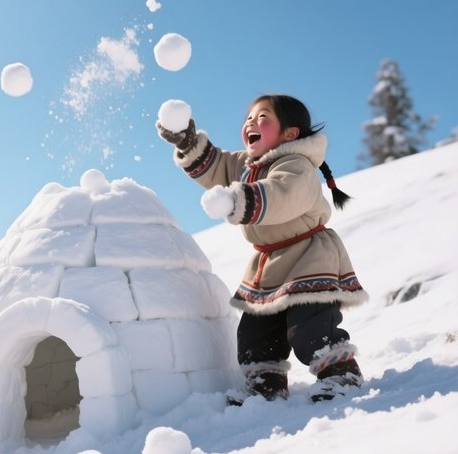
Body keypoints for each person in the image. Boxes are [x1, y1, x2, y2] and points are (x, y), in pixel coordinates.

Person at [157, 94, 368, 404]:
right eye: (248, 119)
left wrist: (238, 200)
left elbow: (283, 194)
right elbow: (216, 166)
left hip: (308, 256)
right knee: (255, 331)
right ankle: (265, 384)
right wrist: (188, 143)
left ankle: (342, 374)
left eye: (262, 118)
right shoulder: (245, 165)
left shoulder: (297, 165)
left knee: (308, 327)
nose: (251, 123)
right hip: (269, 261)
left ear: (290, 134)